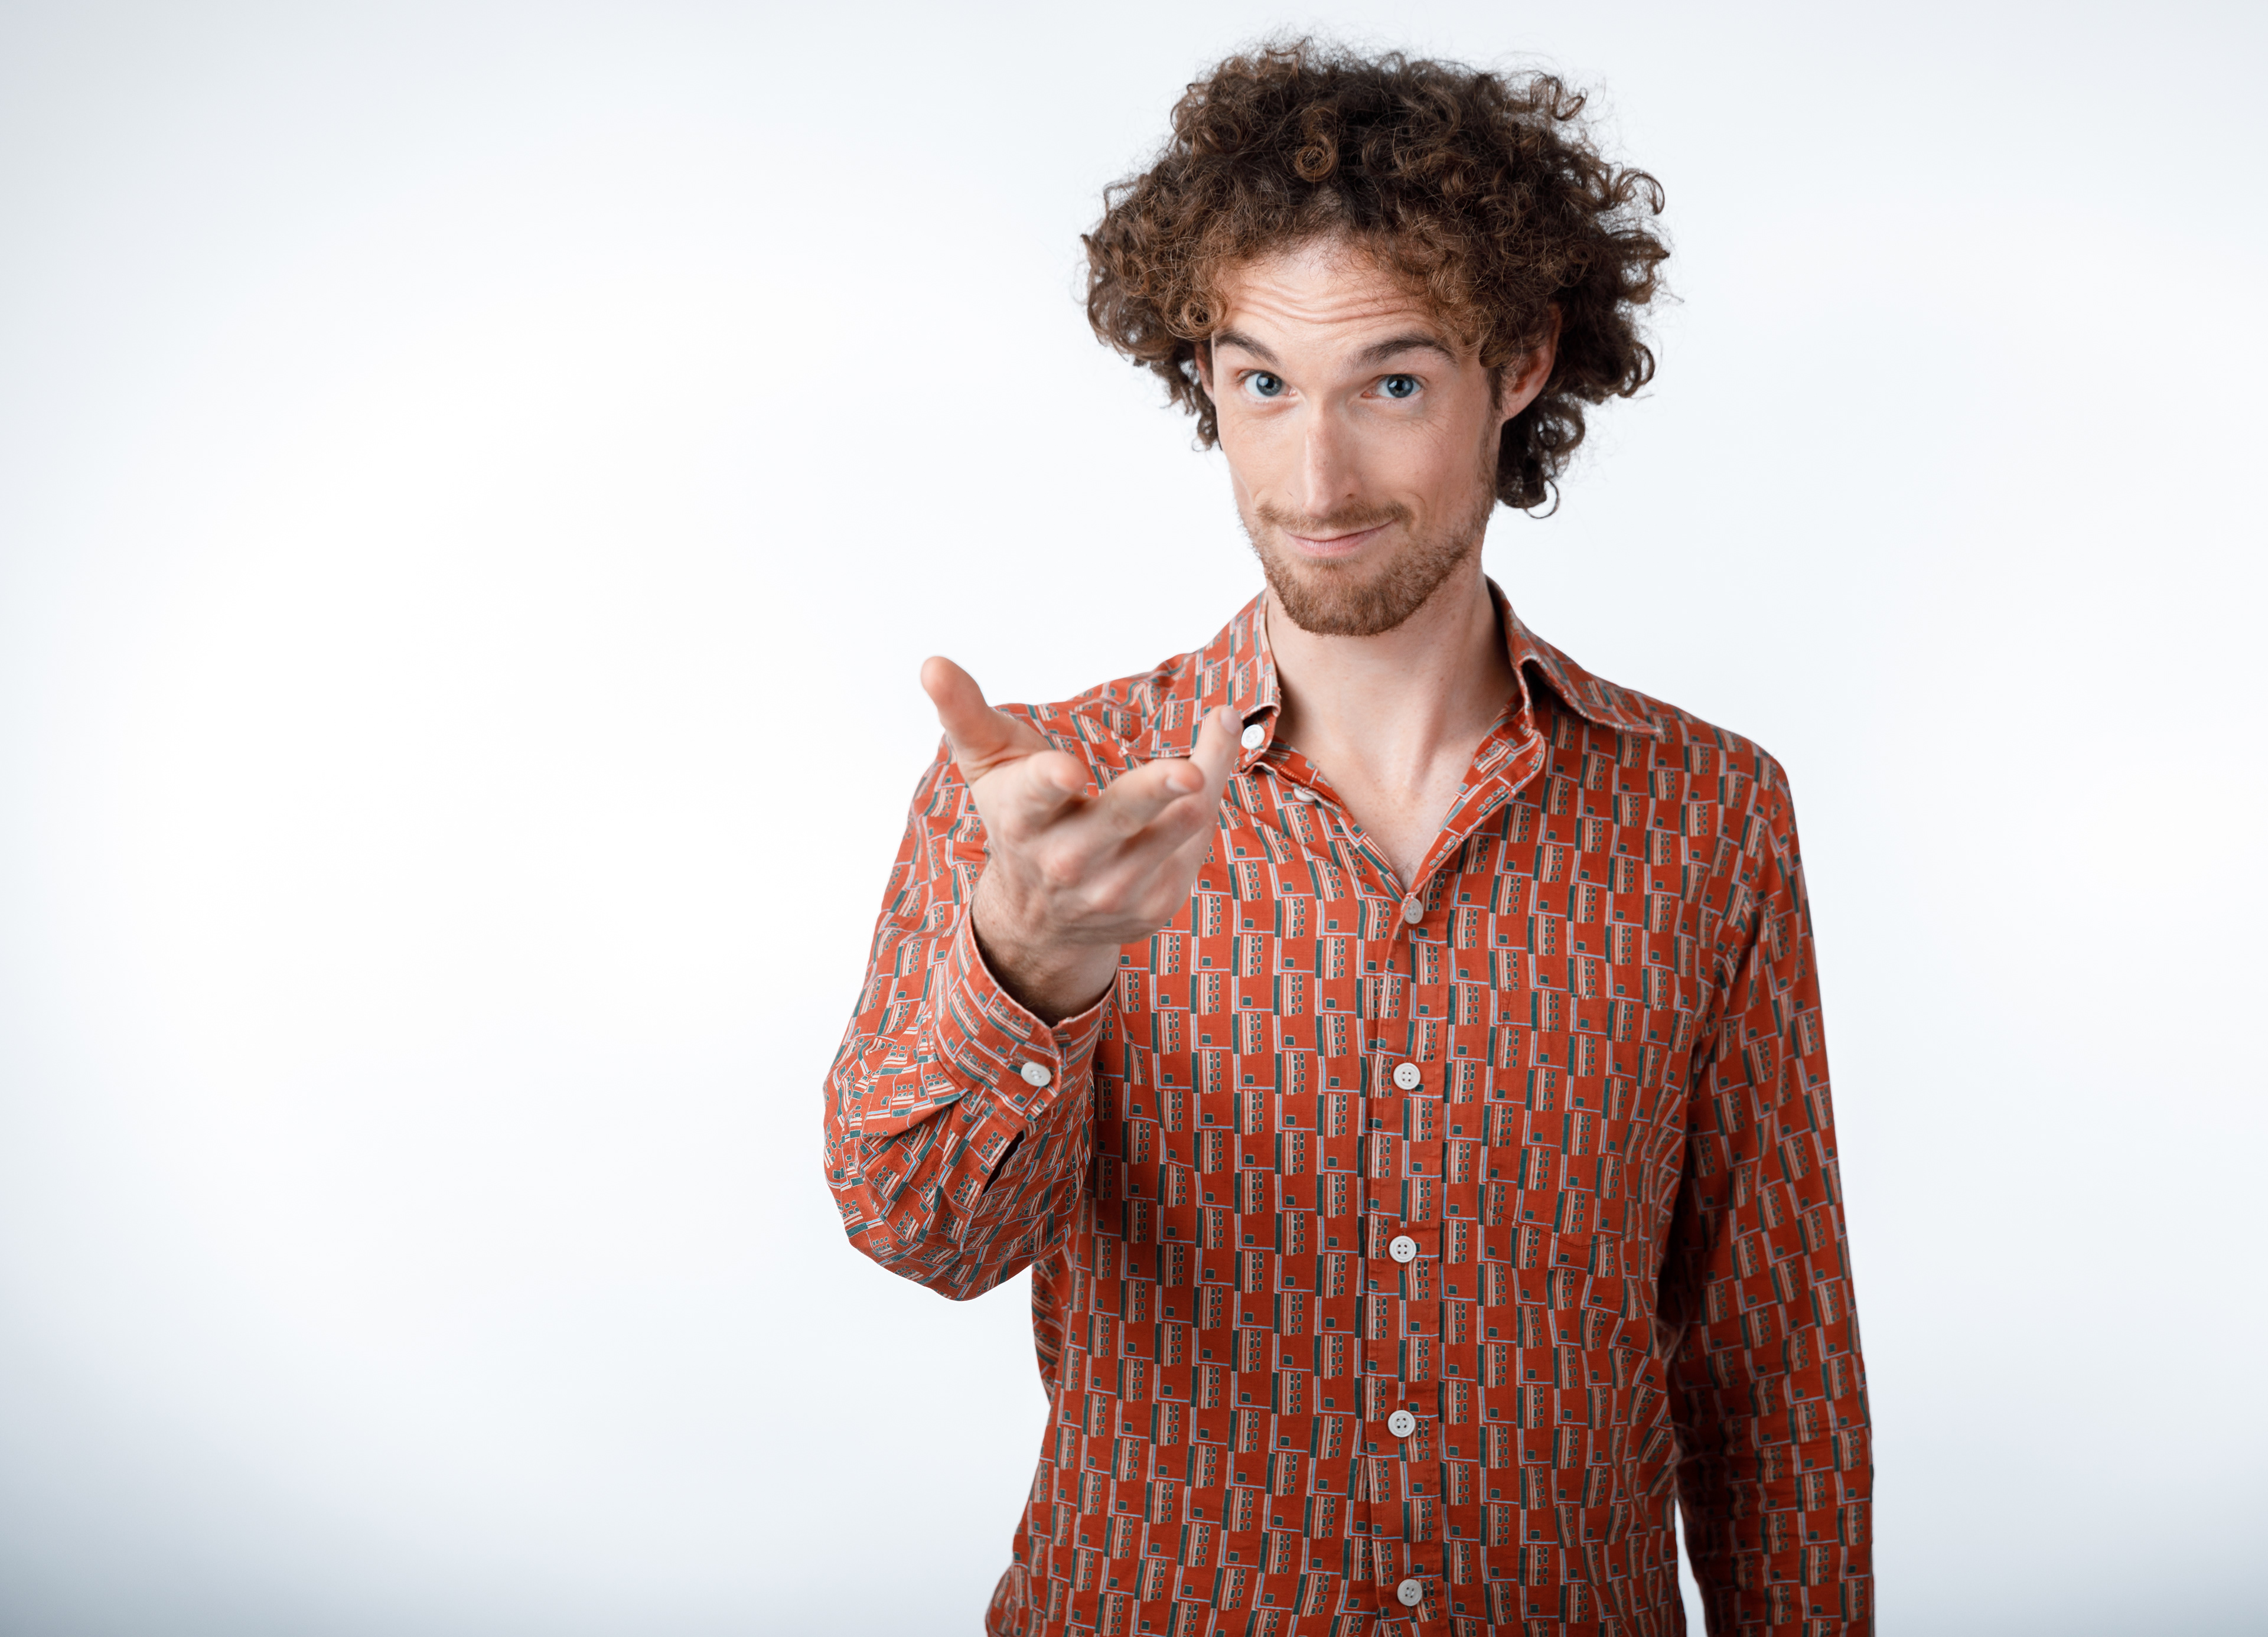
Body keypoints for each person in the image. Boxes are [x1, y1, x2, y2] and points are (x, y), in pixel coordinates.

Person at [823, 40, 1872, 1637]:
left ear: (1520, 363)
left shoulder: (1707, 812)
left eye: (1391, 385)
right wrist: (1029, 966)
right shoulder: (1047, 799)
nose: (1314, 479)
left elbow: (1772, 1365)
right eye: (1262, 384)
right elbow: (922, 1234)